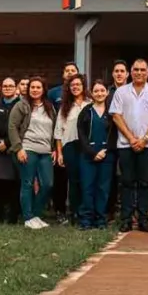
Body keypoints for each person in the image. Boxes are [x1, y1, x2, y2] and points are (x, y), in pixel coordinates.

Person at [109, 59, 148, 233]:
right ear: (131, 72)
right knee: (127, 182)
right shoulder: (121, 92)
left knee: (144, 183)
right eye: (136, 69)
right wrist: (132, 138)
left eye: (143, 70)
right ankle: (126, 219)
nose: (139, 72)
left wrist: (145, 138)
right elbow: (116, 116)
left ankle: (143, 219)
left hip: (147, 145)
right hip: (125, 145)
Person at [9, 76, 56, 229]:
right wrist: (18, 148)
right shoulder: (21, 105)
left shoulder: (50, 107)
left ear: (43, 90)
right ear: (28, 90)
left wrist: (54, 148)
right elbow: (12, 127)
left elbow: (53, 129)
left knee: (47, 184)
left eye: (38, 87)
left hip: (46, 151)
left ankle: (36, 214)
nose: (35, 90)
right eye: (32, 87)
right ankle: (28, 217)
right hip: (27, 149)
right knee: (27, 183)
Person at [76, 79, 117, 230]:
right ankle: (86, 220)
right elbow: (81, 134)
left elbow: (115, 134)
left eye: (102, 90)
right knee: (87, 187)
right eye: (96, 91)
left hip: (107, 155)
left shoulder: (112, 112)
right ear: (91, 93)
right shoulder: (86, 111)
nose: (99, 93)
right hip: (88, 156)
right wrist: (92, 152)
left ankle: (101, 219)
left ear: (107, 92)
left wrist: (106, 150)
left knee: (103, 188)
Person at [54, 73, 92, 225]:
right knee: (73, 181)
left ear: (83, 87)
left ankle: (86, 212)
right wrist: (60, 152)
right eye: (72, 85)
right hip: (69, 146)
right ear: (69, 88)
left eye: (78, 84)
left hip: (86, 147)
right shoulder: (65, 106)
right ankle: (75, 212)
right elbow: (58, 132)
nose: (75, 87)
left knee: (86, 180)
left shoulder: (90, 104)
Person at [0, 77, 21, 223]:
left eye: (10, 86)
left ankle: (12, 216)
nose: (7, 88)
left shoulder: (21, 105)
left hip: (13, 148)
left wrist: (7, 142)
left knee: (13, 184)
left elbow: (21, 127)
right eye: (5, 86)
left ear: (15, 88)